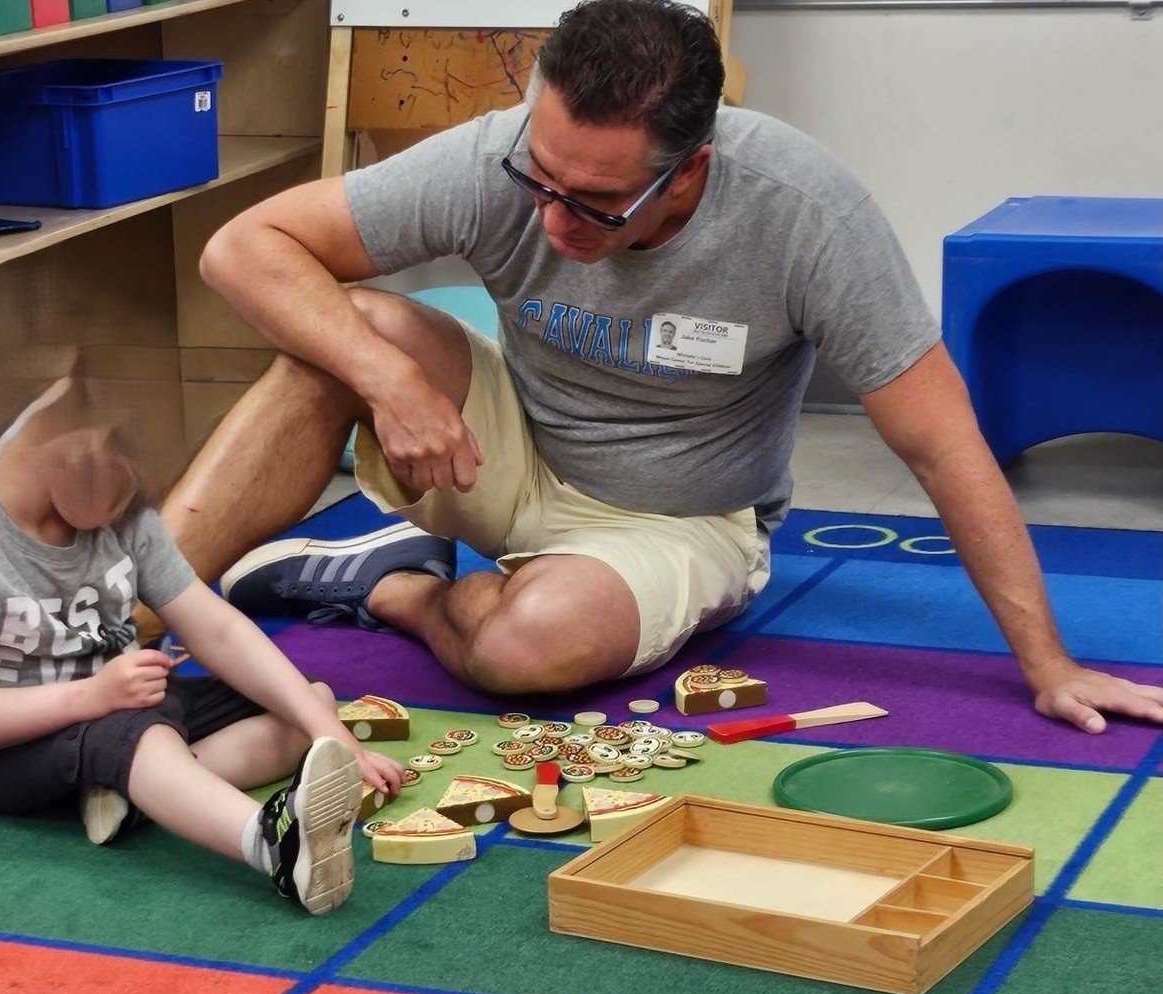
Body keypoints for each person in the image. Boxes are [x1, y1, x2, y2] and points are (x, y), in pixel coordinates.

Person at [154, 0, 1160, 736]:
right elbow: (241, 249)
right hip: (505, 452)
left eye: (591, 204)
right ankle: (128, 613)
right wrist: (391, 381)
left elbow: (945, 447)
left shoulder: (804, 213)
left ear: (694, 170)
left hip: (682, 521)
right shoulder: (509, 157)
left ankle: (396, 588)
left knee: (520, 652)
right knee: (350, 328)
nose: (549, 217)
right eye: (536, 180)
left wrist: (1050, 664)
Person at [0, 379, 403, 917]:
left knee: (308, 700)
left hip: (121, 703)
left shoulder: (120, 500)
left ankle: (138, 798)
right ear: (61, 452)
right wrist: (95, 695)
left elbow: (218, 630)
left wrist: (331, 733)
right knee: (137, 737)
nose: (137, 501)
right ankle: (272, 844)